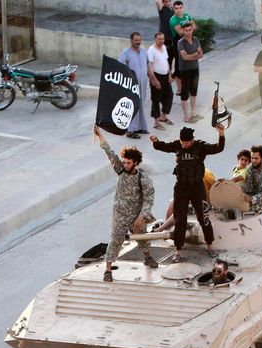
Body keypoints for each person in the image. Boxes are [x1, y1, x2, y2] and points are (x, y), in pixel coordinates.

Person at [152, 125, 225, 262]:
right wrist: (155, 142)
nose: (184, 145)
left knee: (203, 218)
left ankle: (210, 246)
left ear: (192, 140)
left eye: (186, 142)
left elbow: (218, 148)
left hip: (197, 188)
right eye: (182, 142)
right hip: (181, 188)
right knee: (180, 220)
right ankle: (178, 251)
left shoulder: (200, 147)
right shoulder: (177, 145)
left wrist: (221, 135)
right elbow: (164, 147)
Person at [94, 126, 157, 283]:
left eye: (128, 163)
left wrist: (142, 216)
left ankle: (148, 258)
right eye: (124, 162)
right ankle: (108, 270)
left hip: (136, 216)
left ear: (135, 163)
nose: (125, 165)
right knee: (115, 240)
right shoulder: (120, 170)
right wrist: (100, 135)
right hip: (120, 215)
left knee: (142, 238)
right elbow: (109, 153)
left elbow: (149, 197)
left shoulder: (142, 179)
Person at [120, 32, 150, 139]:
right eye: (136, 40)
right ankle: (131, 130)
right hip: (131, 84)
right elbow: (120, 68)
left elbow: (148, 66)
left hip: (143, 83)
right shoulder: (126, 53)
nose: (138, 42)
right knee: (133, 106)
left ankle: (141, 127)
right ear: (131, 40)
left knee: (141, 104)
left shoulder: (143, 51)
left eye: (139, 40)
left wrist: (154, 79)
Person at [177, 21, 204, 124]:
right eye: (186, 30)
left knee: (194, 92)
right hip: (185, 71)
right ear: (183, 31)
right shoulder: (181, 43)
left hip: (195, 69)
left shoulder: (196, 40)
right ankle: (186, 116)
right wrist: (195, 55)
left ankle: (193, 112)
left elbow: (201, 54)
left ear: (192, 30)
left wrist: (191, 56)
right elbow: (184, 57)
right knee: (184, 93)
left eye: (190, 30)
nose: (188, 32)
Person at [148, 32, 174, 130]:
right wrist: (154, 80)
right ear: (155, 39)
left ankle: (163, 117)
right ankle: (156, 122)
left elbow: (167, 61)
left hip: (166, 76)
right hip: (156, 76)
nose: (161, 41)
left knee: (169, 96)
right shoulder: (151, 50)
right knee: (156, 100)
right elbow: (149, 66)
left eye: (162, 39)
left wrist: (170, 75)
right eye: (159, 39)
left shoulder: (164, 48)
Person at [168, 0, 195, 96]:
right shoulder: (173, 20)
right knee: (179, 66)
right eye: (176, 8)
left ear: (183, 8)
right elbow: (180, 32)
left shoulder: (187, 16)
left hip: (188, 41)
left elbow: (194, 26)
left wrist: (188, 30)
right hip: (178, 42)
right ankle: (179, 90)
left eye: (180, 8)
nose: (179, 10)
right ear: (174, 9)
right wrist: (189, 29)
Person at [155, 0, 176, 80]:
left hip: (173, 38)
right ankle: (167, 77)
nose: (168, 3)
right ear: (163, 3)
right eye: (166, 1)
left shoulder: (173, 10)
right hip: (165, 39)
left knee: (174, 57)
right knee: (166, 59)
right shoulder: (162, 9)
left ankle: (172, 75)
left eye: (169, 1)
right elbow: (157, 1)